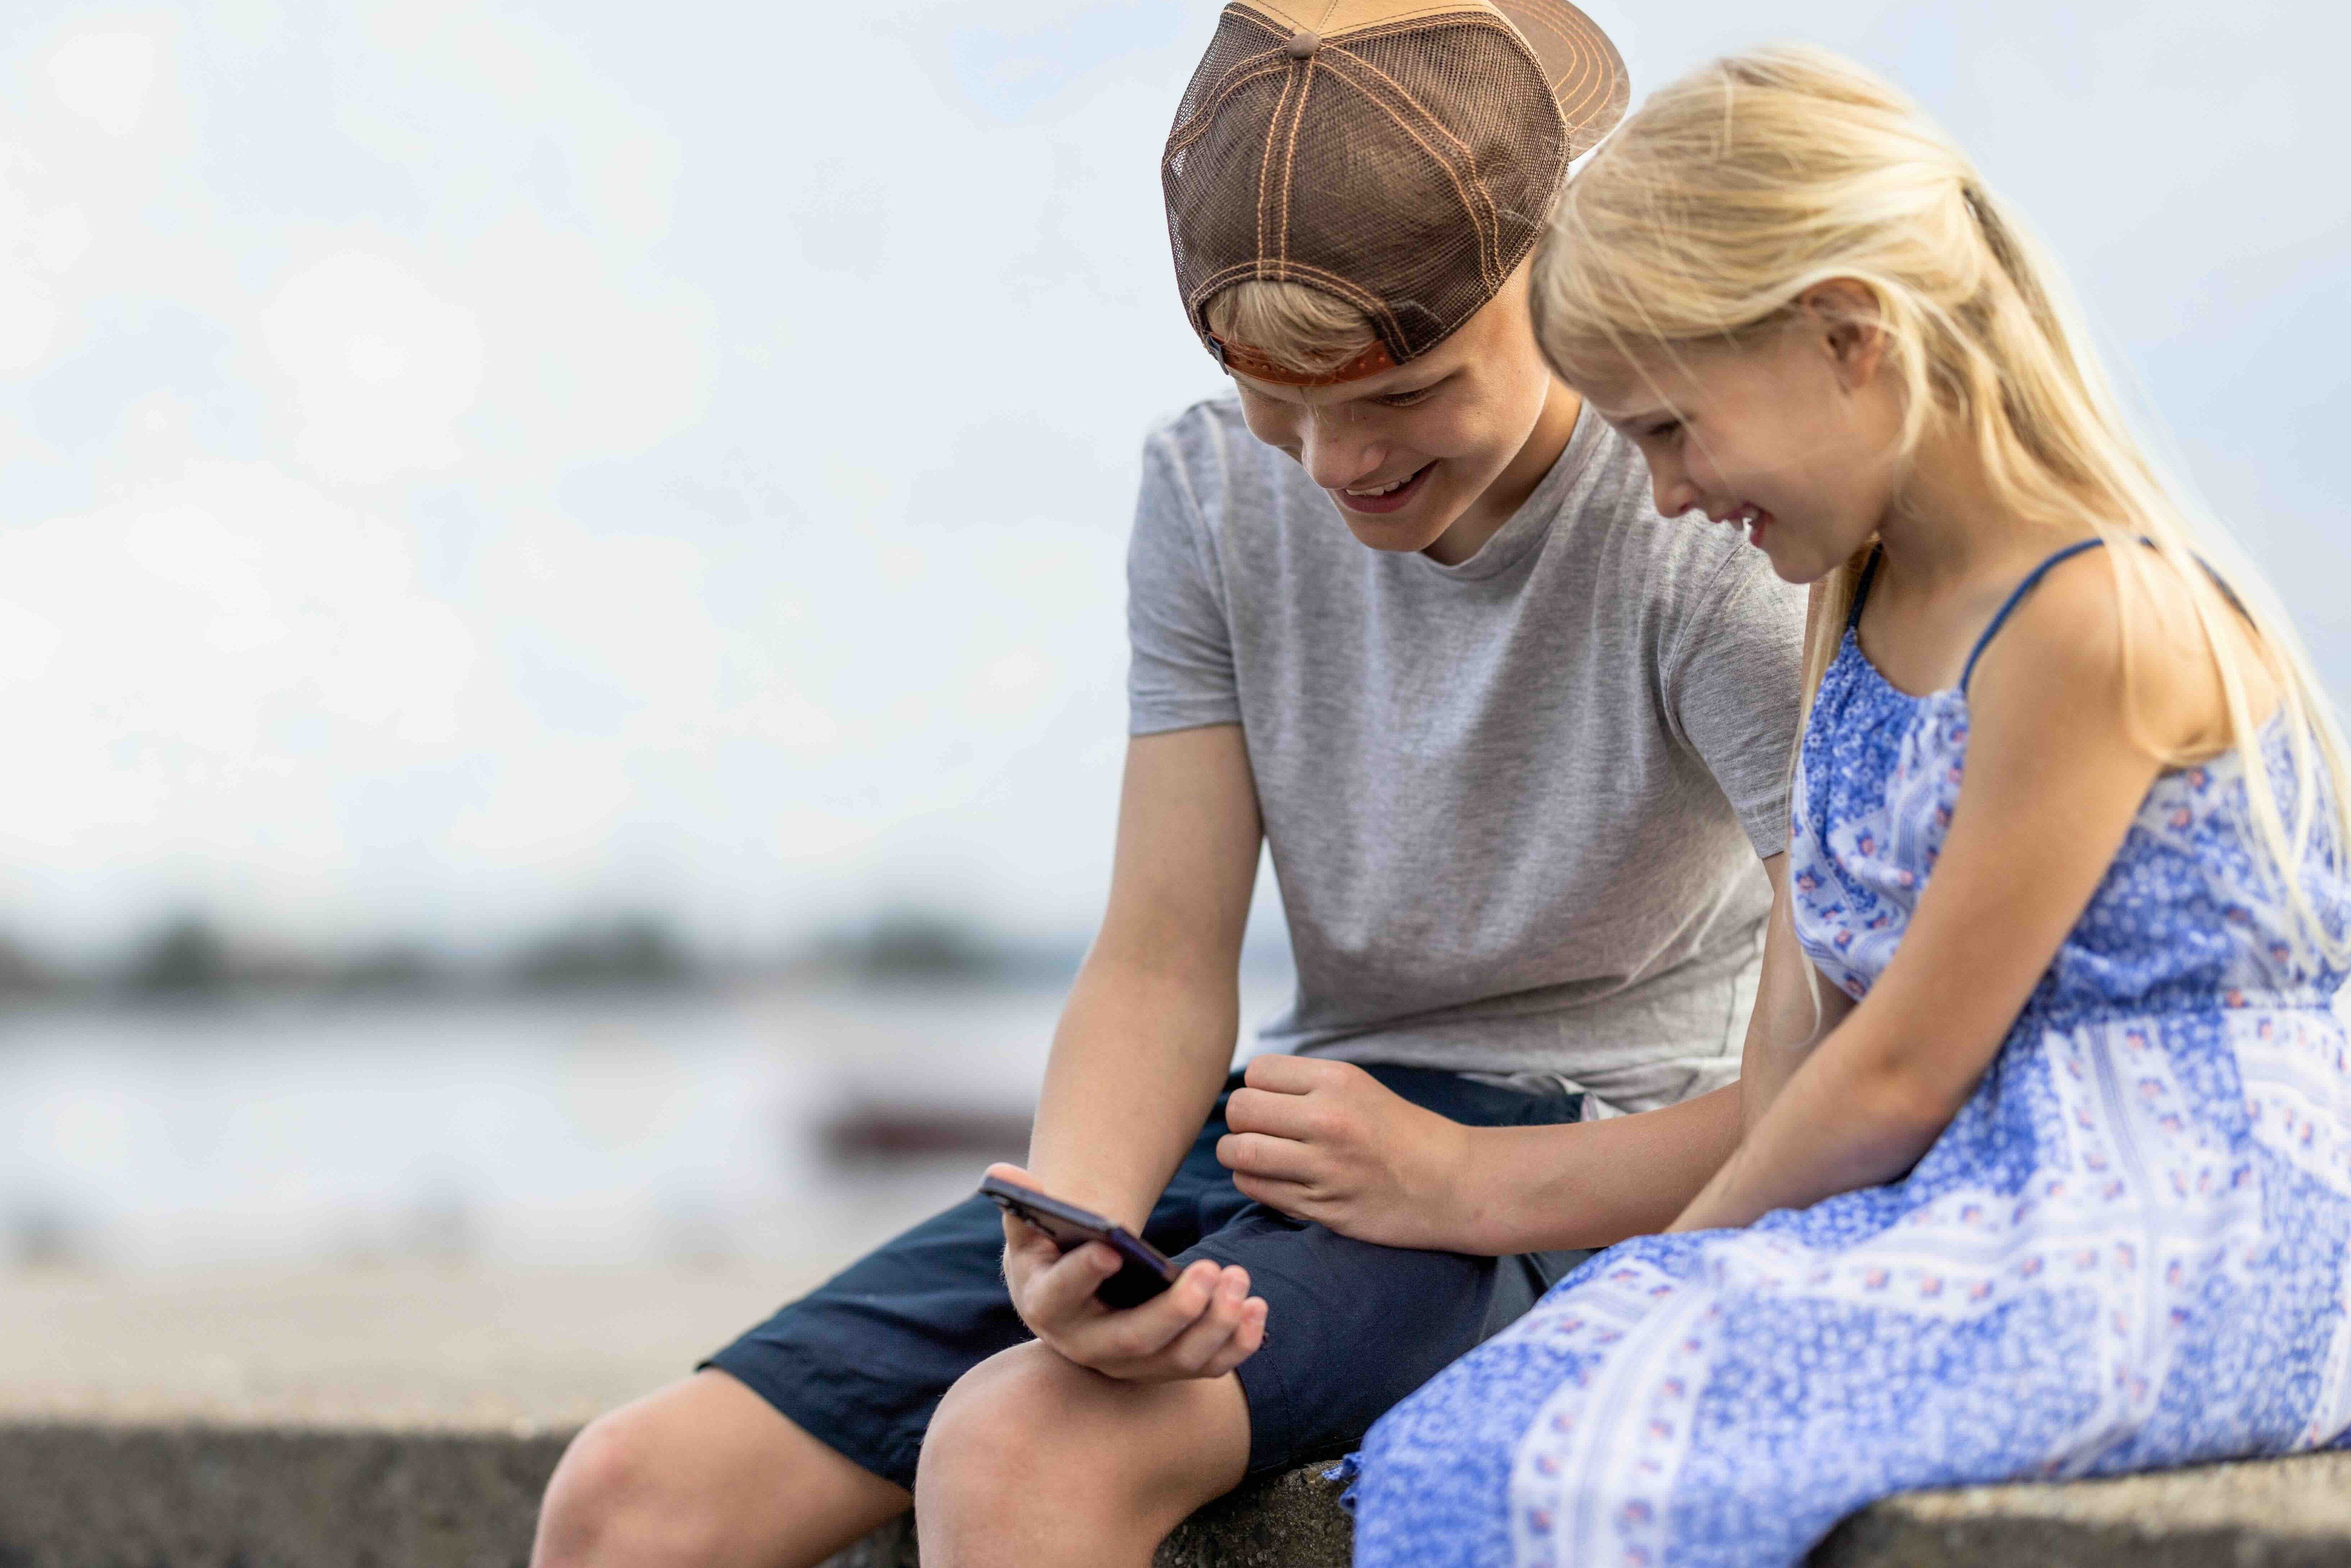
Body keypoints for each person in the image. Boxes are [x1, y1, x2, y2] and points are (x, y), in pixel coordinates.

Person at [529, 6, 1810, 1567]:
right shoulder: (1211, 485)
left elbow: (1840, 1075)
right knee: (627, 1501)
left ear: (1554, 270)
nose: (1334, 464)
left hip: (1573, 1166)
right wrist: (1070, 1224)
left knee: (1017, 1452)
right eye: (1278, 395)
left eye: (1401, 390)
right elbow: (1157, 955)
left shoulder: (1704, 532)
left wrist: (1466, 1178)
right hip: (1297, 1125)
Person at [1344, 44, 2351, 1568]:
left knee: (1601, 1440)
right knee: (1457, 1434)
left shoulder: (2095, 619)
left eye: (1671, 430)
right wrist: (1646, 1290)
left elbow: (1894, 1073)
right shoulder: (1855, 613)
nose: (1667, 495)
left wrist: (1676, 1270)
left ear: (1845, 337)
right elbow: (1799, 1051)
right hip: (1993, 1206)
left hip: (2189, 1227)